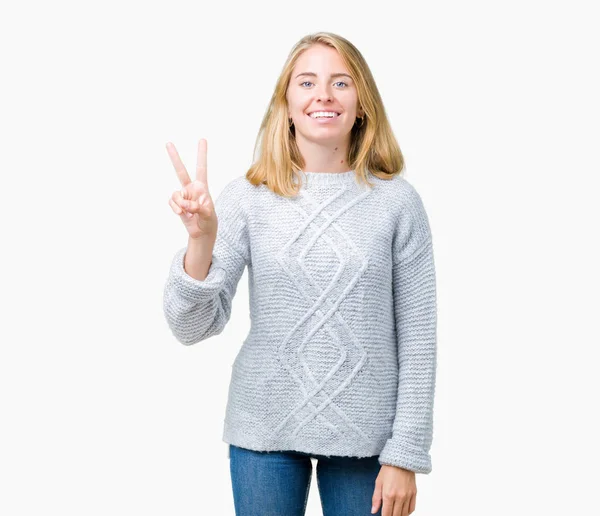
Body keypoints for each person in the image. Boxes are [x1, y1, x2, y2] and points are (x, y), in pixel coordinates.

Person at [163, 32, 437, 516]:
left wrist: (406, 452)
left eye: (340, 82)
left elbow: (418, 338)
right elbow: (190, 327)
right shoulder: (247, 197)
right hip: (263, 425)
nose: (323, 95)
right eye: (306, 82)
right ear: (286, 105)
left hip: (368, 436)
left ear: (362, 104)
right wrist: (201, 239)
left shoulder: (398, 203)